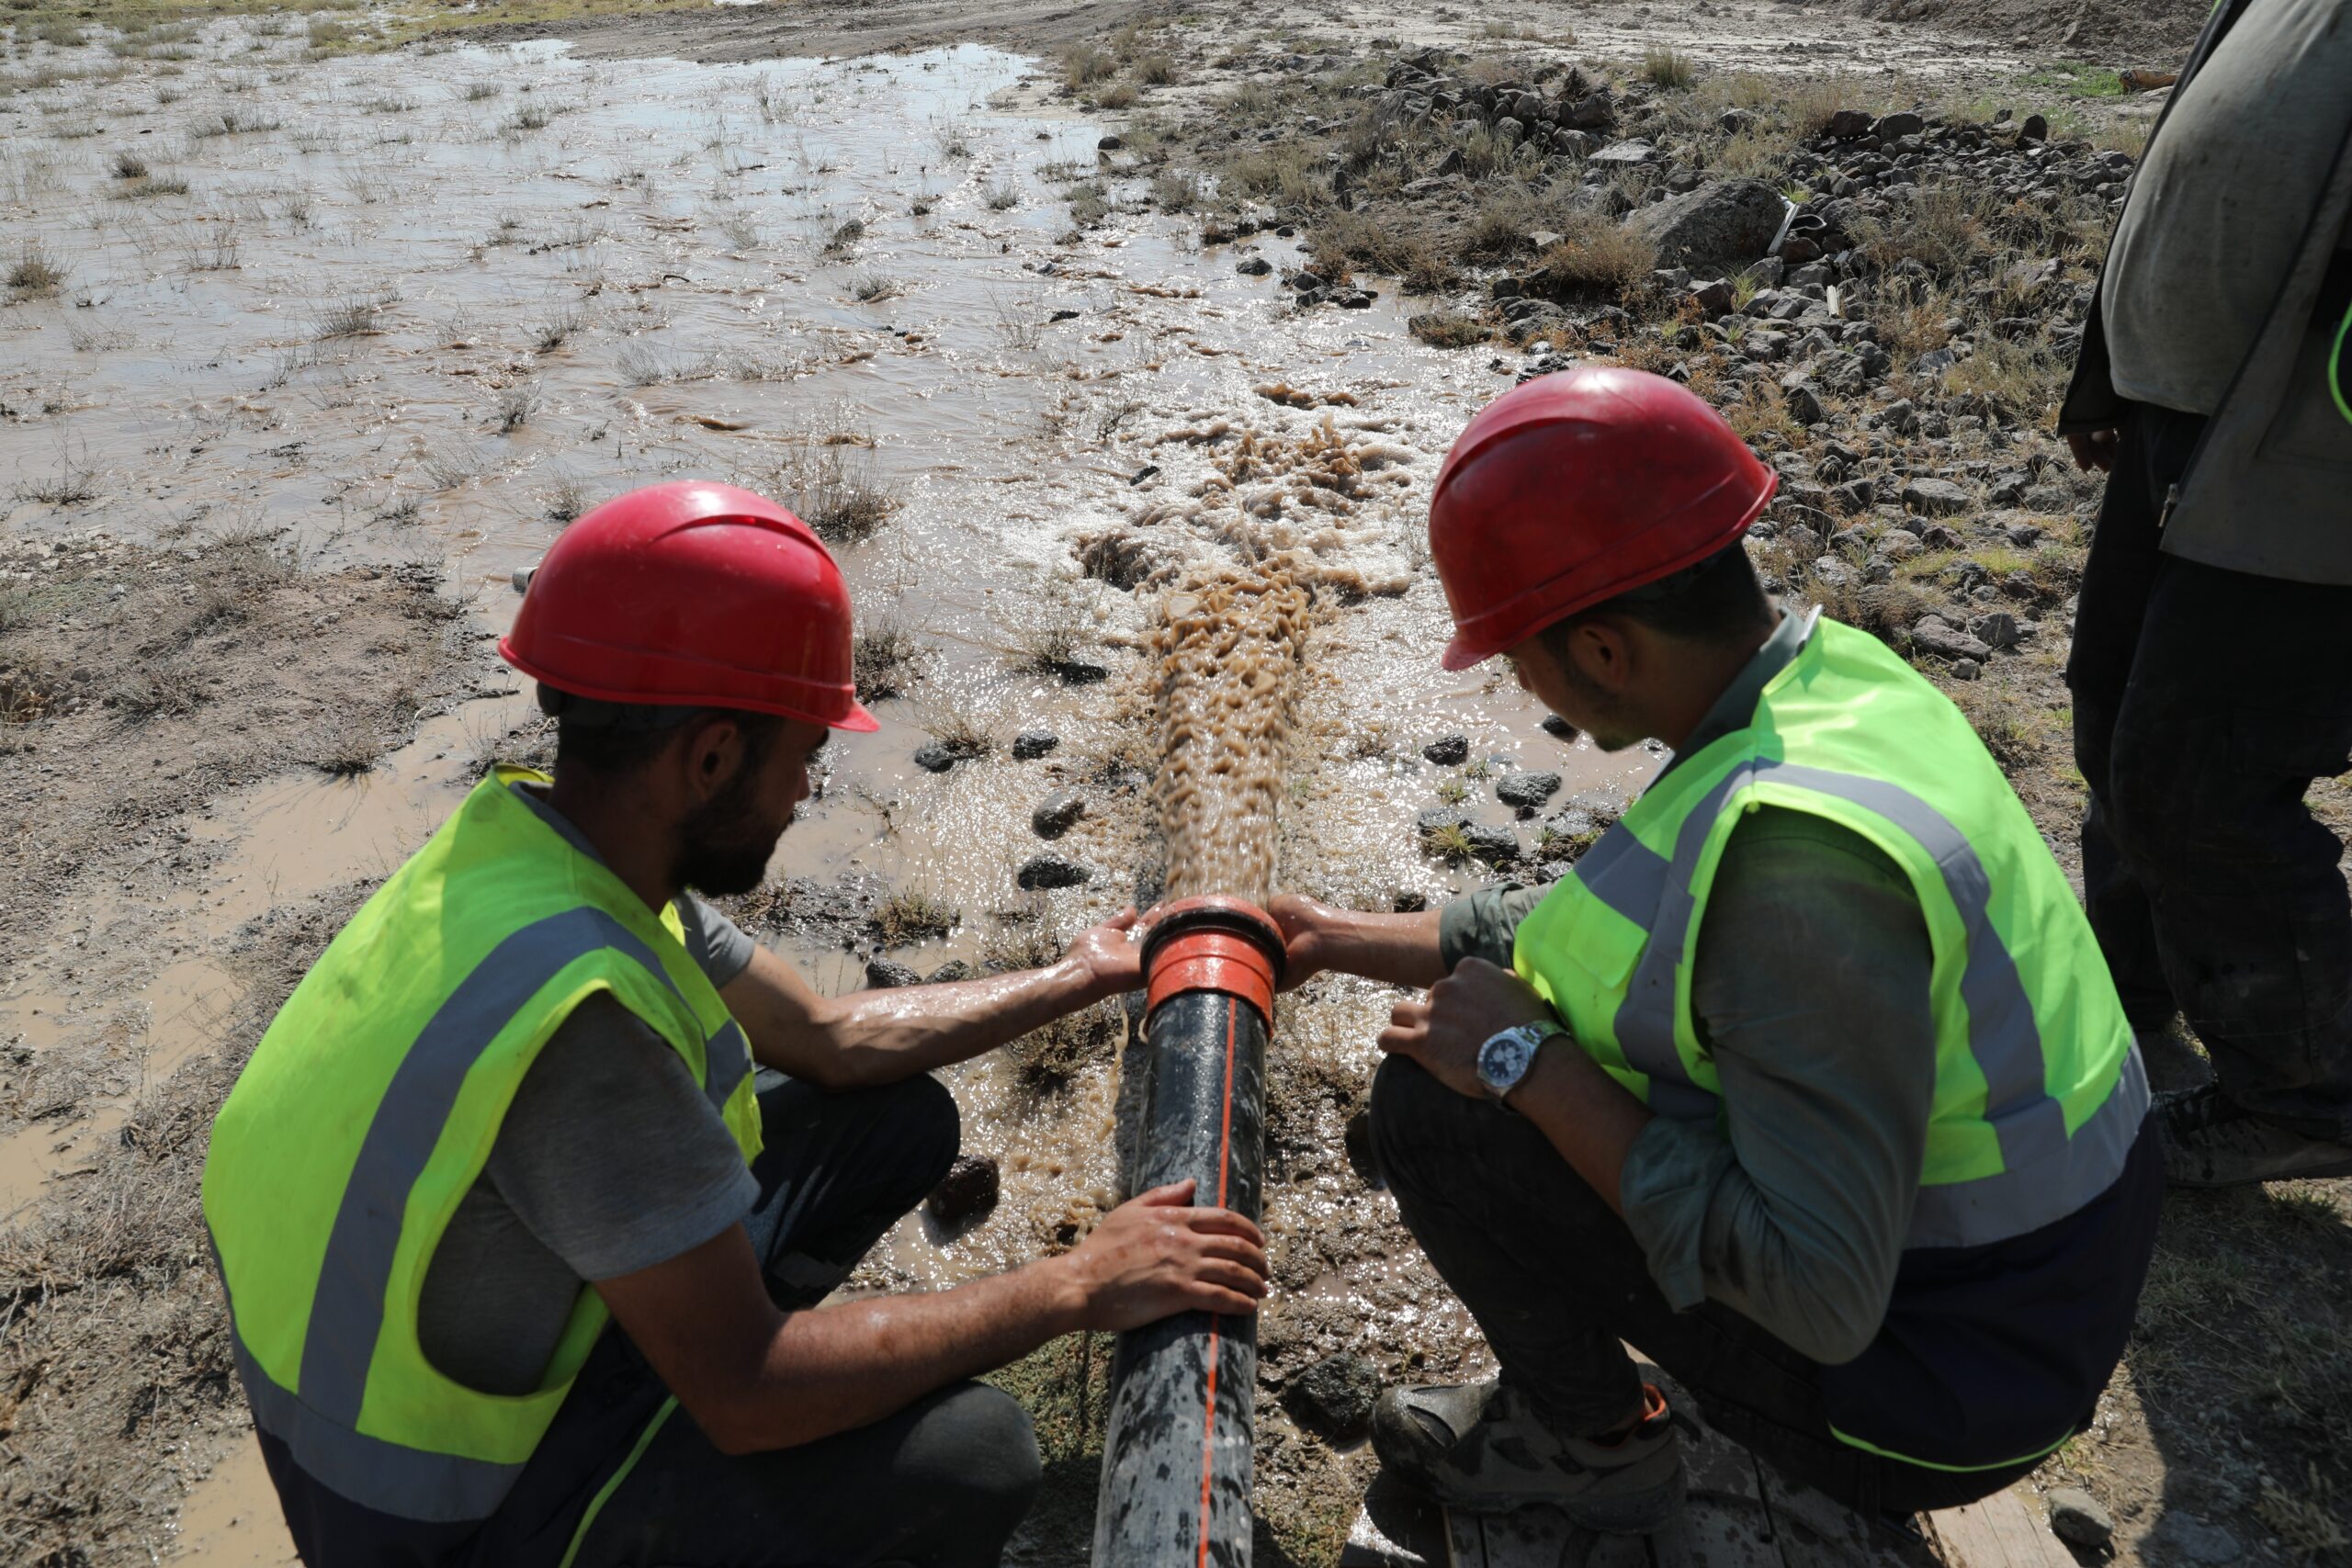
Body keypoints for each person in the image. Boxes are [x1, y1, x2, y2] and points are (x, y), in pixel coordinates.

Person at [199, 481, 1270, 1568]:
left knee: (893, 1120)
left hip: (389, 1392)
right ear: (710, 758)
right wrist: (1076, 1284)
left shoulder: (528, 855)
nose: (808, 786)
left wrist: (1075, 974)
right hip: (440, 1521)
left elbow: (827, 1040)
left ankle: (690, 1347)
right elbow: (749, 1395)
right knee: (974, 1454)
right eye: (803, 752)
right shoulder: (587, 1028)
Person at [1270, 370, 2160, 1532]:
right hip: (2020, 1287)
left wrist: (1526, 1067)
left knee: (1436, 1115)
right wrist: (1329, 939)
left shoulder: (1792, 875)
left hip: (1937, 1393)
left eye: (1511, 653)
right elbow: (1604, 934)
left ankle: (1586, 1447)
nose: (1513, 680)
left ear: (1600, 652)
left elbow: (1816, 1293)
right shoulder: (1831, 687)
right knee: (1487, 1060)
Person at [2056, 0, 2352, 1187]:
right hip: (2185, 420)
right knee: (2111, 706)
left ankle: (2308, 1096)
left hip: (2310, 464)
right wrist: (2106, 364)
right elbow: (2191, 148)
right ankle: (2130, 988)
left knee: (2198, 781)